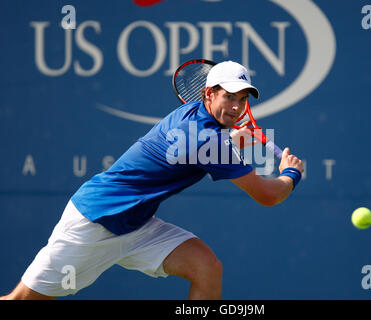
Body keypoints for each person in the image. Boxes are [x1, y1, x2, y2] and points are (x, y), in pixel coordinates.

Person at [1, 60, 303, 300]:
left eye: (242, 99)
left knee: (206, 267)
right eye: (228, 97)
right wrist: (291, 173)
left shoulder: (195, 117)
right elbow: (267, 195)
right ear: (209, 93)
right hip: (95, 220)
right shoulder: (206, 139)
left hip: (137, 224)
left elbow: (195, 151)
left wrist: (233, 141)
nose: (237, 107)